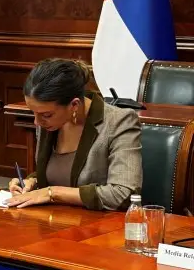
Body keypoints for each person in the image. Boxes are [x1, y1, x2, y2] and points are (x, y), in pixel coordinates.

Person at [8, 59, 141, 210]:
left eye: (46, 115)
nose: (36, 122)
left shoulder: (119, 122)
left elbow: (124, 193)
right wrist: (32, 182)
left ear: (74, 105)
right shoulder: (50, 123)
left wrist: (52, 193)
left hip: (99, 222)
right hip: (54, 218)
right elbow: (60, 174)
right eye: (34, 113)